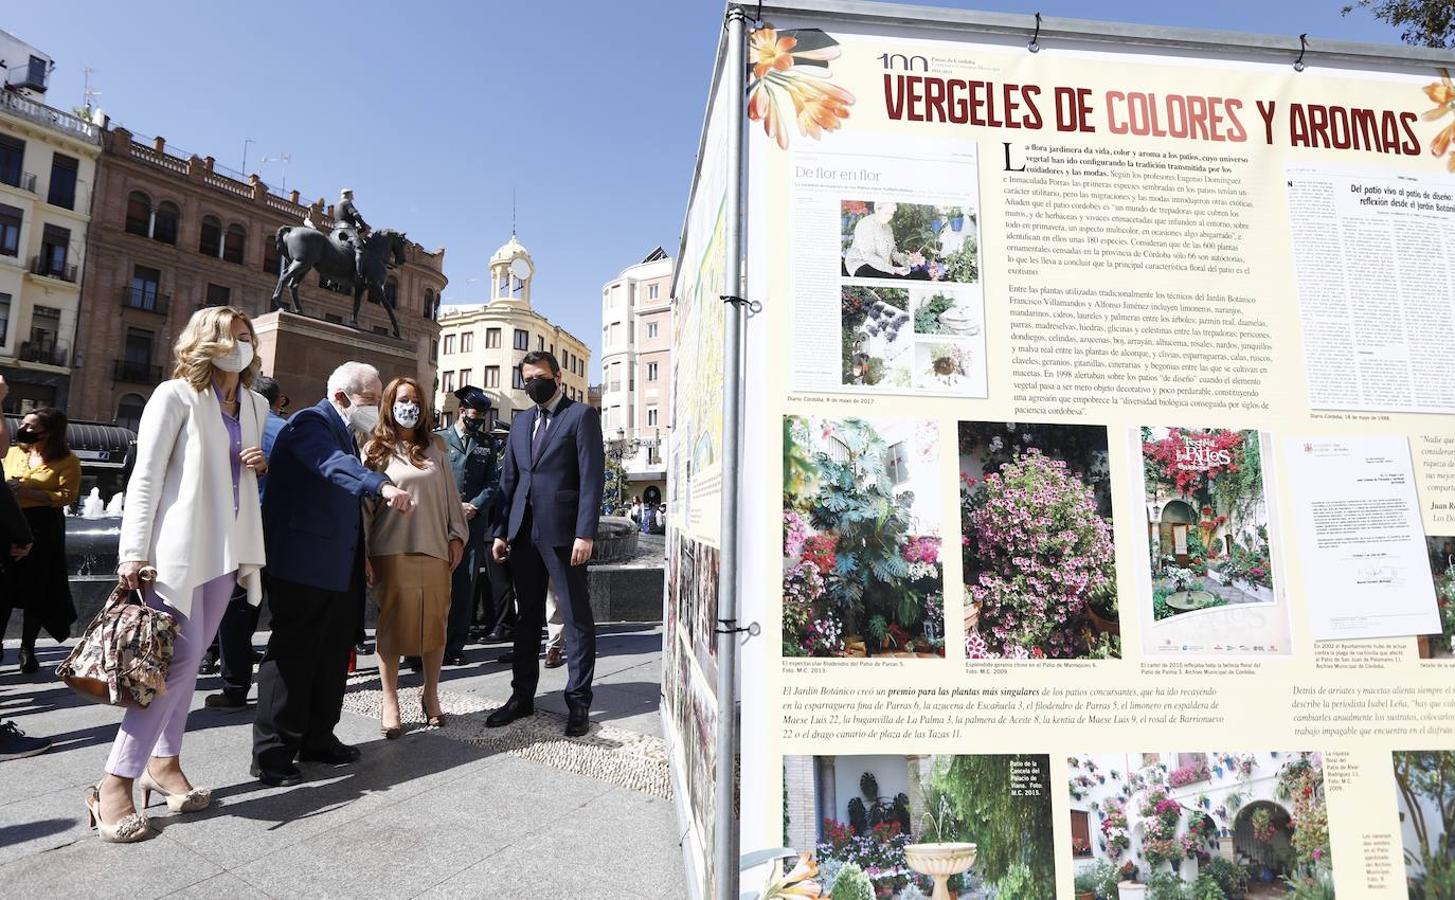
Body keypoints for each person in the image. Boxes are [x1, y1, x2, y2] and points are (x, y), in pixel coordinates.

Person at [97, 306, 270, 843]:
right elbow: (145, 476)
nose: (242, 345)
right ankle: (115, 780)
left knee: (190, 664)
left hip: (227, 550)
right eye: (232, 337)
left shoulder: (256, 404)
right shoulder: (174, 396)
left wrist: (258, 465)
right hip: (173, 551)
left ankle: (165, 763)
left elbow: (241, 478)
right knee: (174, 664)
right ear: (206, 343)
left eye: (247, 337)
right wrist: (132, 553)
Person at [251, 361, 412, 787]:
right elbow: (332, 466)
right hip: (301, 564)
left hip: (338, 567)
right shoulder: (309, 423)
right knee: (293, 657)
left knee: (331, 657)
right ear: (341, 396)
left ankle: (318, 737)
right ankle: (273, 754)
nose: (377, 409)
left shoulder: (346, 430)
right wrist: (380, 485)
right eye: (371, 400)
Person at [487, 351, 604, 737]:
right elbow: (509, 480)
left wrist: (585, 532)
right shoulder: (520, 423)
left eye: (539, 376)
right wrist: (501, 530)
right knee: (527, 619)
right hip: (522, 534)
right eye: (526, 378)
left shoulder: (580, 417)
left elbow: (592, 478)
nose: (532, 384)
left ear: (557, 376)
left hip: (564, 535)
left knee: (575, 617)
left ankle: (578, 702)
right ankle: (521, 696)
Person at [363, 378, 467, 737]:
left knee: (436, 622)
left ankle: (431, 694)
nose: (410, 406)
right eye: (403, 399)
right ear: (390, 404)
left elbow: (451, 496)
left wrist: (457, 536)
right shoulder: (374, 450)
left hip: (435, 547)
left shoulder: (436, 446)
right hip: (390, 548)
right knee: (392, 626)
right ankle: (389, 700)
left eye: (416, 400)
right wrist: (363, 552)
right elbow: (363, 506)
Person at [206, 374, 289, 711]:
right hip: (283, 532)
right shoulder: (286, 430)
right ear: (277, 401)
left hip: (242, 530)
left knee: (237, 611)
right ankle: (279, 687)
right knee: (280, 612)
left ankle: (234, 687)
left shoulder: (234, 426)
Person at [1, 404, 80, 674]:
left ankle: (27, 649)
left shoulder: (67, 460)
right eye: (23, 424)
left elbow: (67, 496)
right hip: (10, 524)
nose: (23, 430)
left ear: (49, 432)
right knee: (4, 587)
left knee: (36, 588)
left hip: (43, 527)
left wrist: (24, 490)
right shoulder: (11, 453)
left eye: (31, 427)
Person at [436, 385, 499, 666]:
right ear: (461, 412)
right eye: (474, 416)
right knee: (436, 584)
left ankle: (455, 646)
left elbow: (492, 482)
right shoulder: (439, 439)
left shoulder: (487, 442)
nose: (478, 421)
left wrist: (474, 505)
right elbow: (431, 477)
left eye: (481, 417)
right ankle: (429, 642)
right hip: (441, 520)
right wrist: (452, 506)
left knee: (465, 584)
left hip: (472, 523)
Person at [842, 201, 926, 279]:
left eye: (891, 214)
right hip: (861, 263)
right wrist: (892, 269)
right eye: (886, 213)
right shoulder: (865, 224)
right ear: (877, 210)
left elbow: (893, 252)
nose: (889, 217)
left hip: (883, 266)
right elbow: (868, 255)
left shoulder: (888, 228)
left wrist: (907, 260)